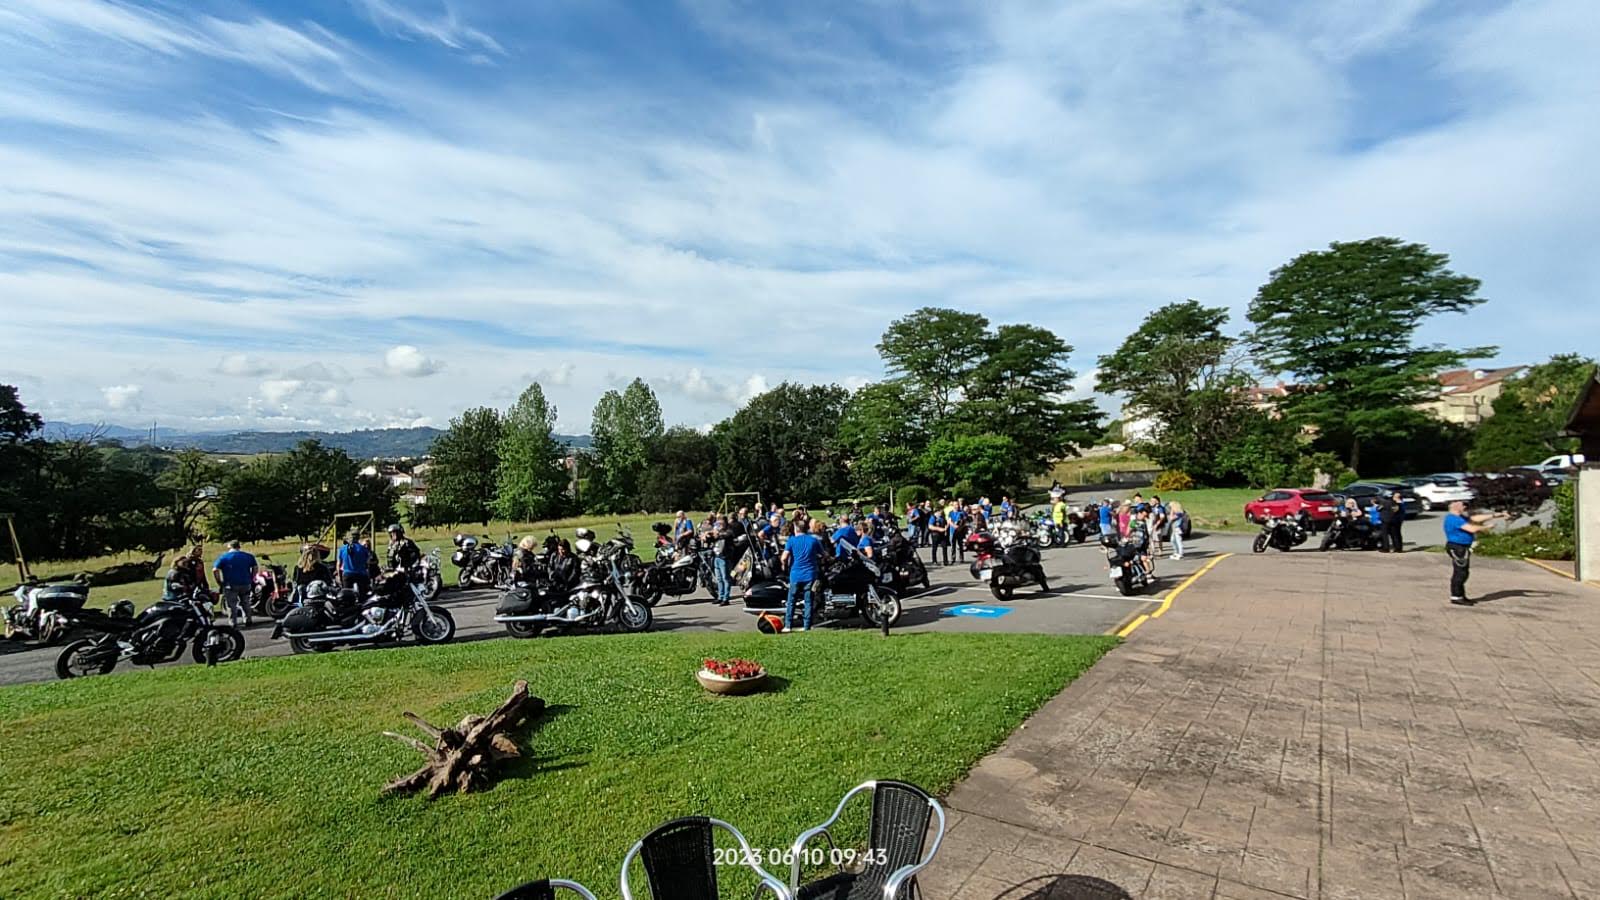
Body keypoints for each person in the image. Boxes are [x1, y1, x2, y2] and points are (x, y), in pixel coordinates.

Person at [1444, 501, 1504, 606]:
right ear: (1456, 507)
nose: (1465, 507)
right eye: (1463, 505)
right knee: (1460, 572)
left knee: (1463, 571)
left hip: (1462, 547)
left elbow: (1475, 518)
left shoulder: (1460, 517)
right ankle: (1456, 596)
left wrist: (1496, 515)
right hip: (1457, 547)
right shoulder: (1453, 519)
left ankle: (1460, 595)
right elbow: (1472, 528)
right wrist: (1487, 527)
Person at [781, 518, 826, 632]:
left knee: (791, 600)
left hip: (795, 574)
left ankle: (788, 625)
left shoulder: (791, 541)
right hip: (810, 574)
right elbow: (824, 554)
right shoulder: (813, 540)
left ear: (796, 529)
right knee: (808, 601)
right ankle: (807, 626)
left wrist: (784, 565)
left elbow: (784, 557)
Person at [211, 539, 258, 628]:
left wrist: (219, 581)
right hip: (245, 583)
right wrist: (251, 578)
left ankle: (233, 622)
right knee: (246, 602)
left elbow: (215, 569)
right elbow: (255, 567)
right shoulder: (248, 556)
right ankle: (248, 619)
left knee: (231, 604)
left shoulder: (224, 557)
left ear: (229, 546)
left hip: (230, 584)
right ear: (239, 546)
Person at [338, 530, 373, 598]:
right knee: (363, 596)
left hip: (347, 575)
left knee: (347, 596)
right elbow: (367, 563)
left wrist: (340, 577)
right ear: (358, 538)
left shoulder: (342, 549)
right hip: (361, 575)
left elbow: (339, 564)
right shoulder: (363, 549)